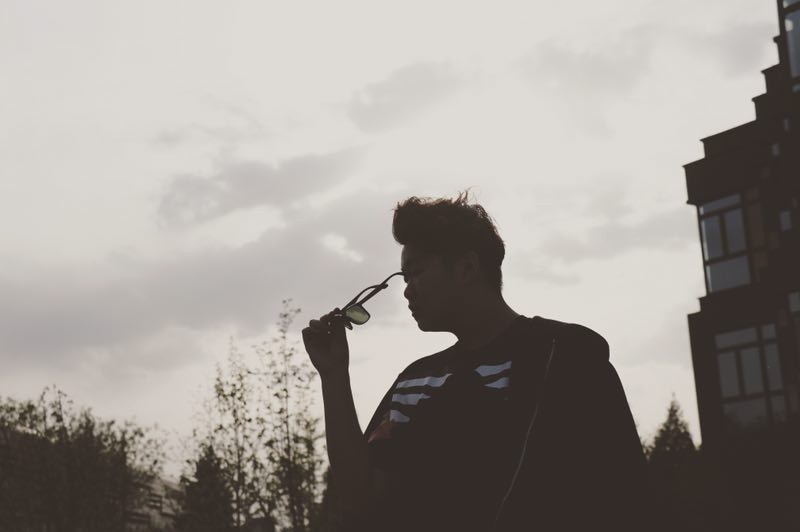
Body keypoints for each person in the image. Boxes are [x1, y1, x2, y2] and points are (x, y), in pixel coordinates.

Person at [302, 192, 647, 532]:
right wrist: (333, 376)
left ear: (466, 267)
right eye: (404, 278)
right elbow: (361, 501)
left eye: (416, 273)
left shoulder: (566, 356)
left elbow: (626, 495)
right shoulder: (414, 382)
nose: (407, 290)